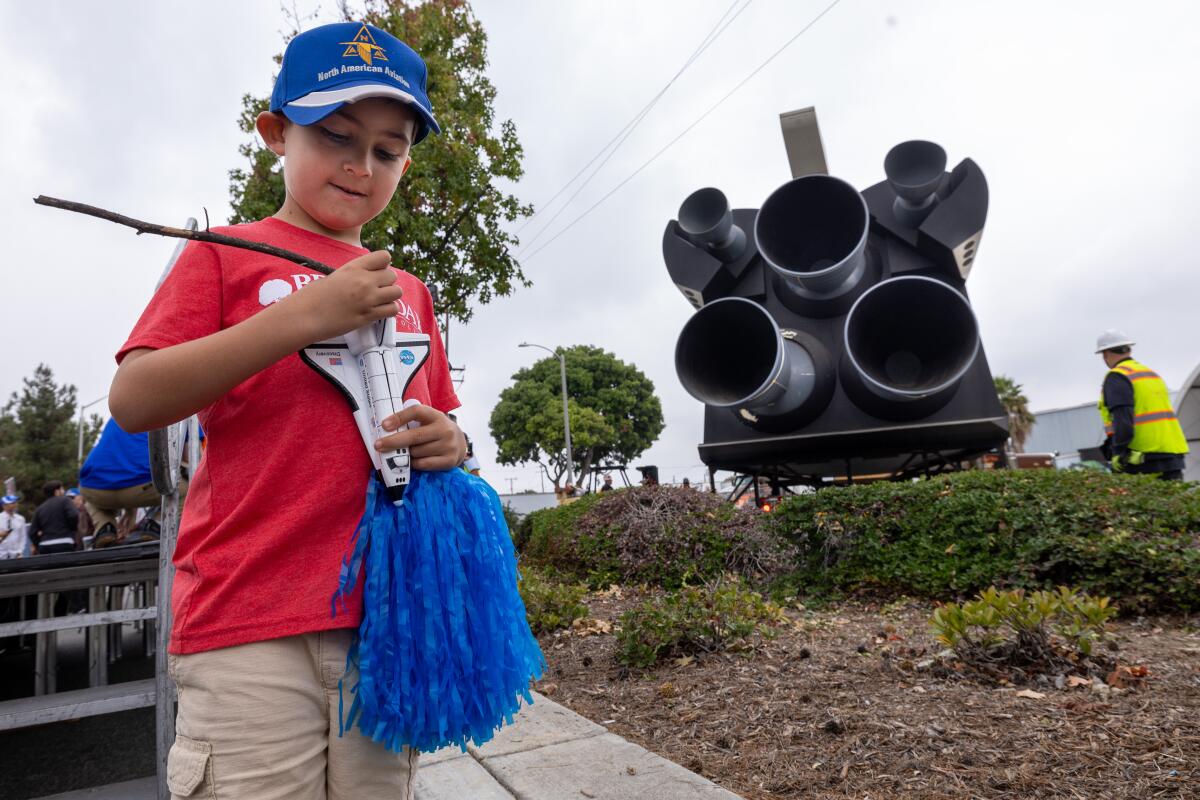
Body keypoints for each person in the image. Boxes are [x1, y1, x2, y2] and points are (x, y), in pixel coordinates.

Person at [107, 22, 463, 799]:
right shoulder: (225, 254)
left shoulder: (412, 295)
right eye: (335, 134)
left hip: (384, 624)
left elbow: (433, 423)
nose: (359, 164)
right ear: (275, 132)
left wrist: (452, 441)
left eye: (388, 149)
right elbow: (135, 399)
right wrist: (302, 317)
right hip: (247, 623)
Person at [1095, 330, 1188, 480]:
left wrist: (1118, 452)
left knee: (1143, 502)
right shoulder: (1151, 374)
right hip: (1172, 453)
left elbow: (1123, 419)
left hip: (1143, 457)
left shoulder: (1117, 377)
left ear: (1105, 354)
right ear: (1128, 349)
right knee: (1174, 502)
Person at [79, 418, 164, 547]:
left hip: (93, 487)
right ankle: (157, 525)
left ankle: (105, 527)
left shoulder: (117, 416)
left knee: (90, 495)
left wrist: (130, 510)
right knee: (186, 488)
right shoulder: (170, 411)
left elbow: (122, 461)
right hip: (144, 484)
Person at [28, 481, 81, 555]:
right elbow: (74, 515)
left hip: (45, 545)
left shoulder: (40, 508)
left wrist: (38, 544)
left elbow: (32, 532)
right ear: (56, 491)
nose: (64, 492)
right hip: (64, 542)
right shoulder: (65, 501)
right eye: (62, 489)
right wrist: (72, 530)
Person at [0, 494, 27, 560]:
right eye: (12, 503)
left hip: (16, 556)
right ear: (4, 506)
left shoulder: (20, 519)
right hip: (1, 555)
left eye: (15, 502)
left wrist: (20, 552)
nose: (15, 504)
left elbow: (23, 537)